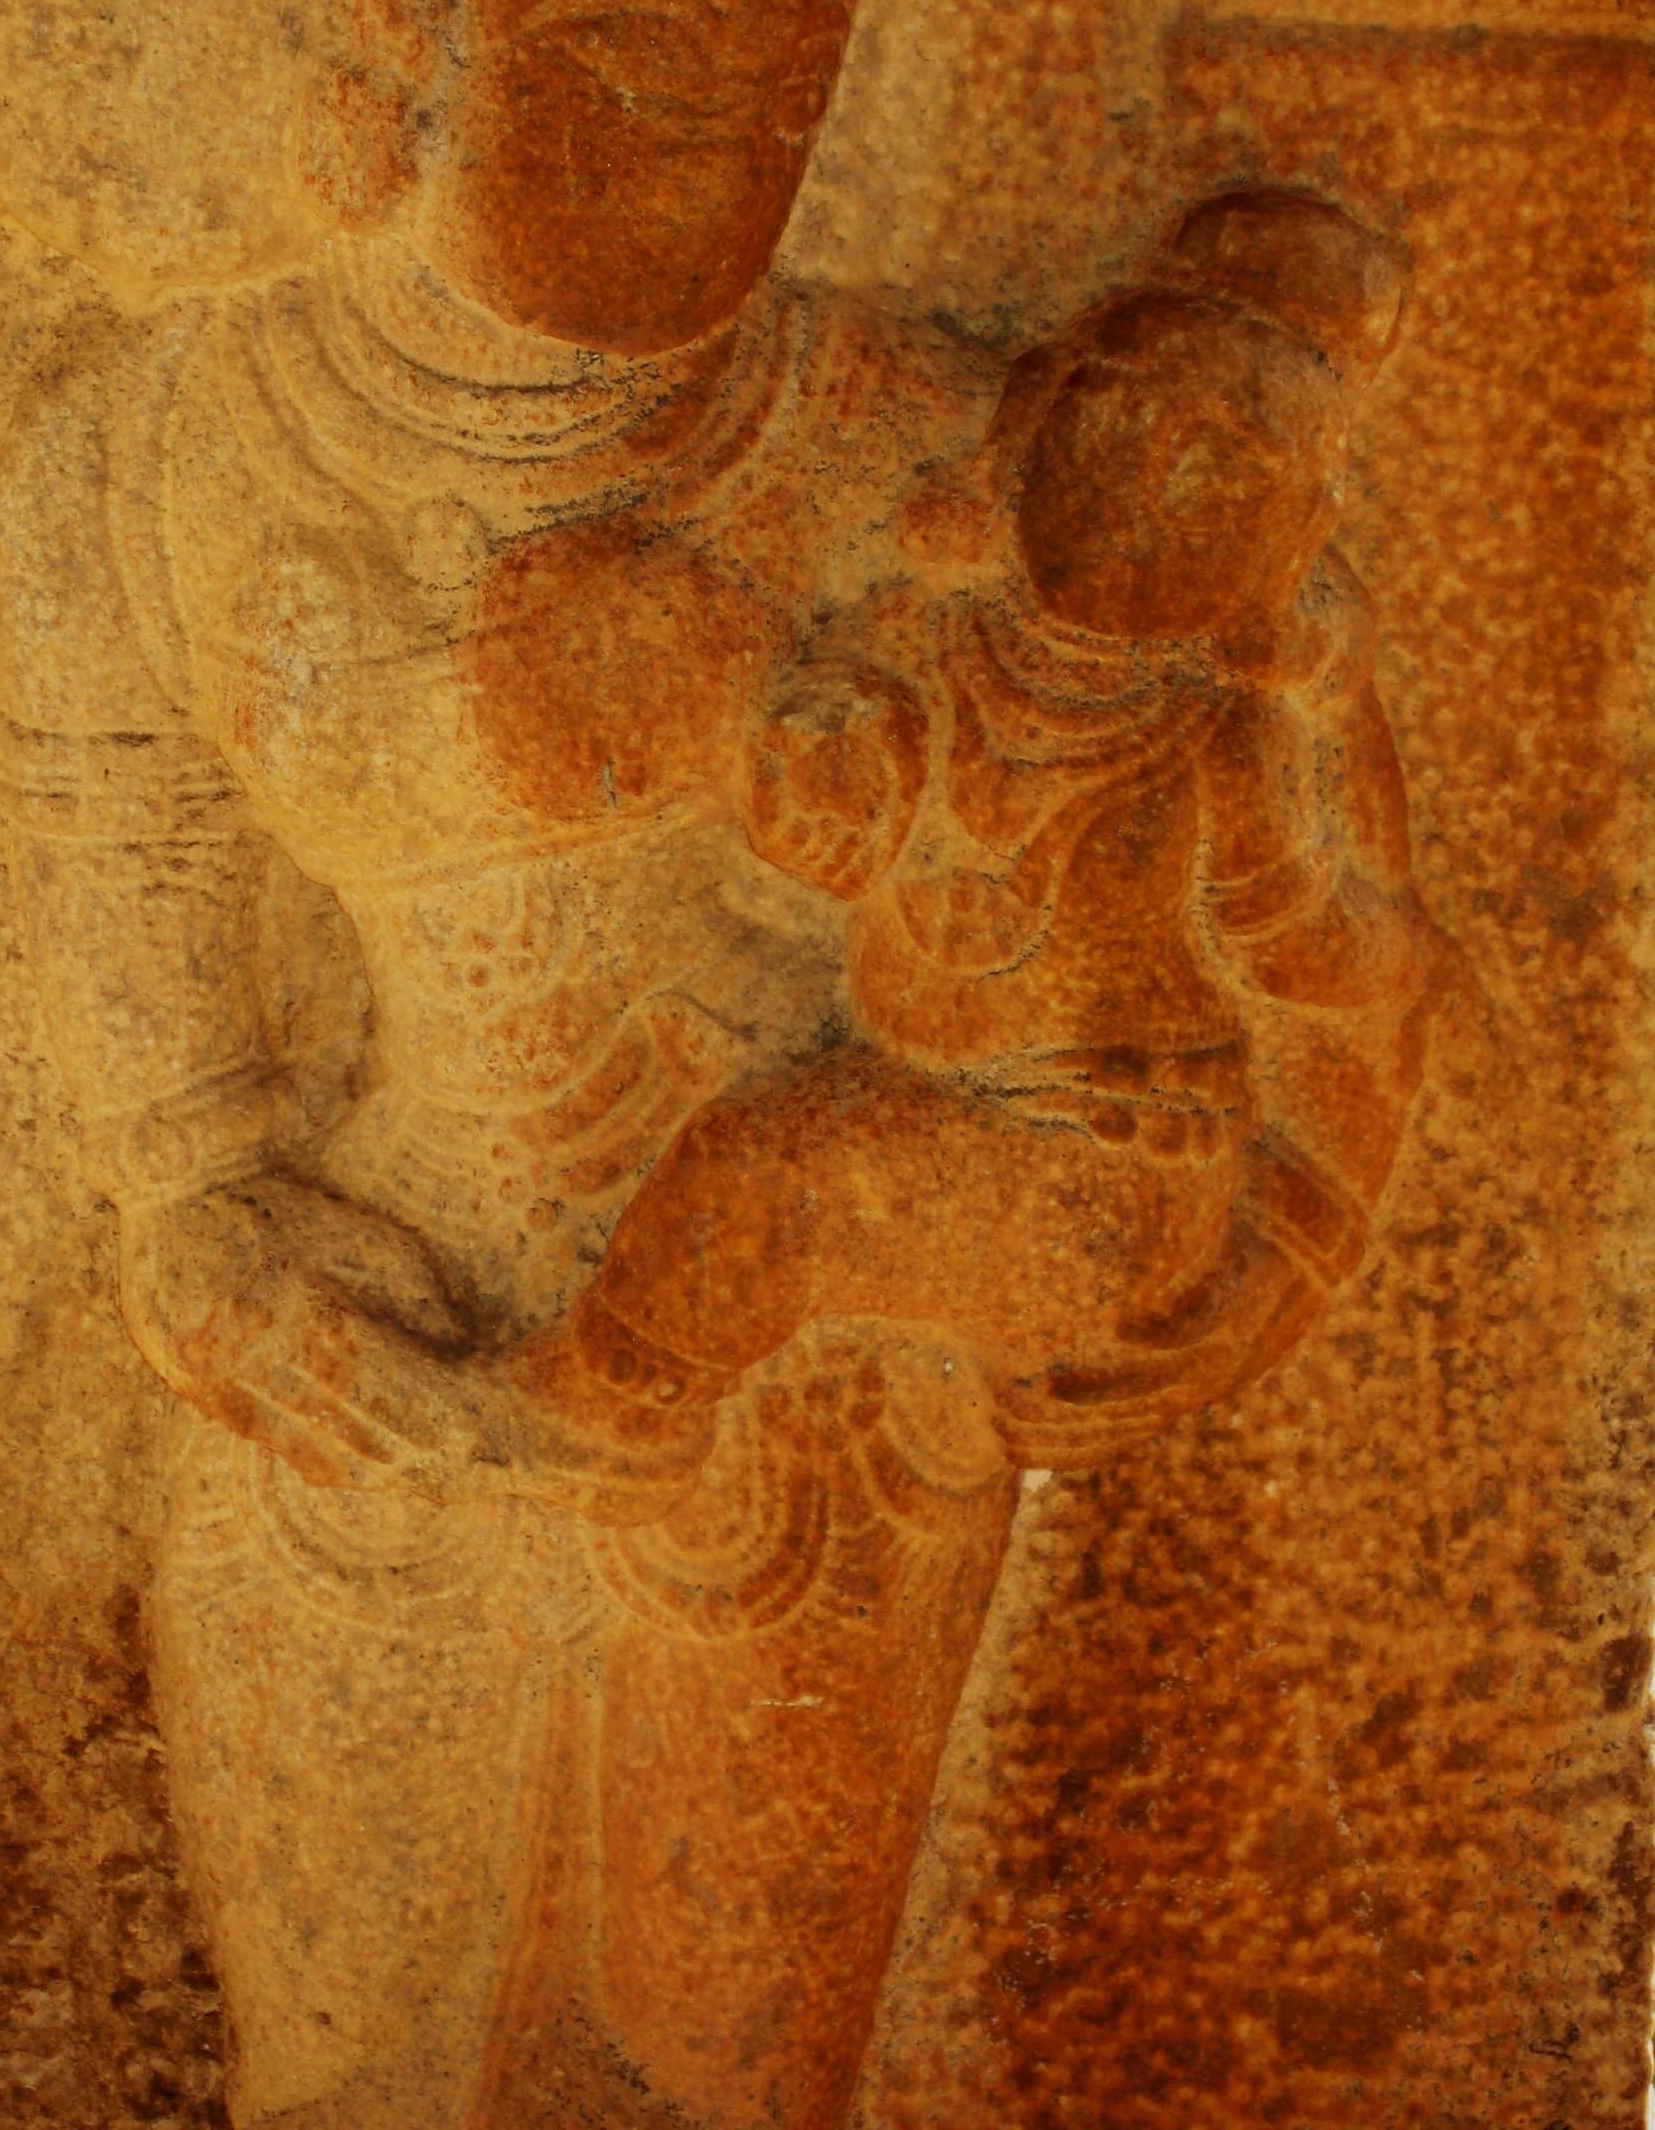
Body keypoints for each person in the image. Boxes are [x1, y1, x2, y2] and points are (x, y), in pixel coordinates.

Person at [0, 0, 1428, 2130]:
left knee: (731, 2080)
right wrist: (209, 1241)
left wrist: (1266, 1214)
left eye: (792, 74)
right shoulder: (136, 470)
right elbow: (143, 972)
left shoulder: (941, 446)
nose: (725, 134)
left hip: (816, 1393)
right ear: (401, 8)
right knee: (342, 2066)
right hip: (379, 1336)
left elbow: (1288, 837)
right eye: (636, 33)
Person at [497, 192, 1435, 1493]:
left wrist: (1372, 970)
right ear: (1035, 416)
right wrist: (808, 779)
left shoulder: (1229, 728)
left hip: (1098, 1168)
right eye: (1129, 421)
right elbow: (828, 765)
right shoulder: (933, 628)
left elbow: (1316, 966)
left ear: (1286, 549)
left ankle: (611, 1409)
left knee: (768, 1178)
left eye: (1227, 473)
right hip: (913, 1083)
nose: (1155, 486)